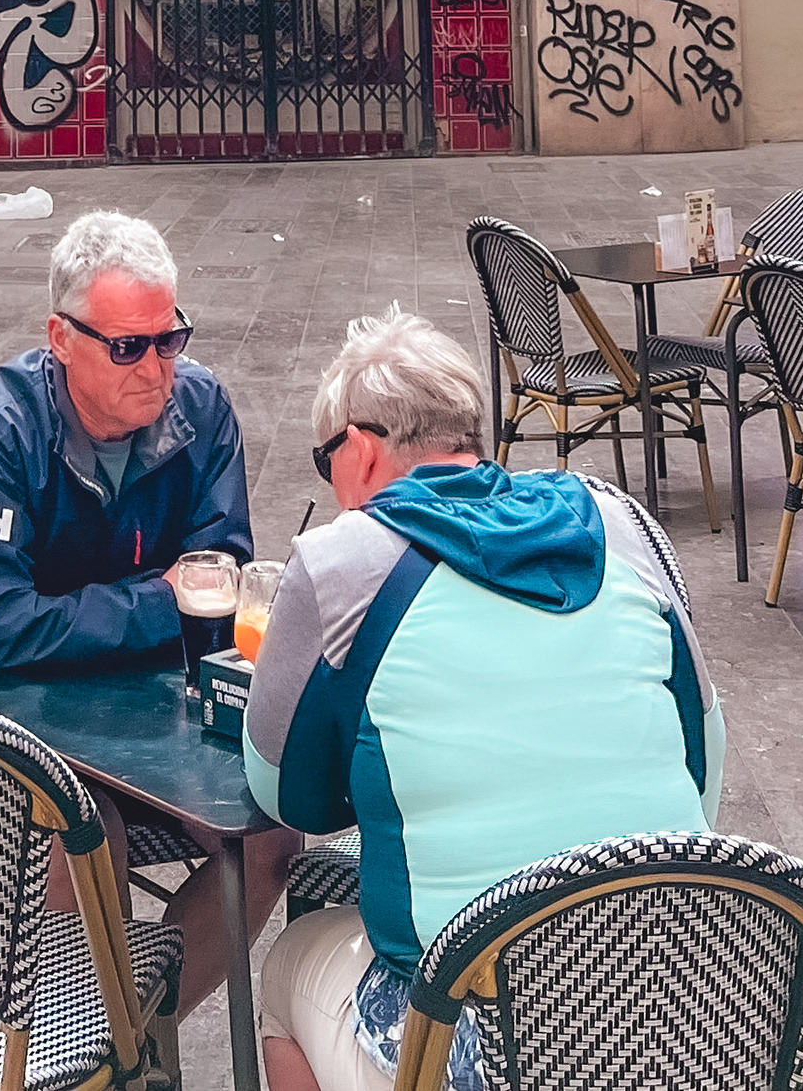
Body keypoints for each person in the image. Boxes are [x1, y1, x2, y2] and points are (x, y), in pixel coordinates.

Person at [245, 306, 725, 1091]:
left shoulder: (342, 560)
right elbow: (702, 760)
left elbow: (286, 796)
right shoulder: (622, 522)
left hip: (489, 1041)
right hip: (689, 1015)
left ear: (359, 449)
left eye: (326, 459)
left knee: (287, 969)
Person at [0, 207, 297, 1008]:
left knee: (272, 838)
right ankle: (94, 1041)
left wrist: (117, 612)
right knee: (87, 835)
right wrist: (156, 600)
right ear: (61, 338)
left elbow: (220, 578)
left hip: (140, 705)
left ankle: (140, 1036)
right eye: (128, 346)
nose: (156, 368)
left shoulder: (202, 409)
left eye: (170, 338)